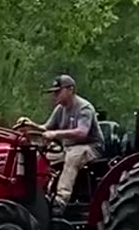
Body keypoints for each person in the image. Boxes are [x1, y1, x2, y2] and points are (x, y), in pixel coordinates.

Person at [15, 74, 102, 202]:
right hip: (68, 147)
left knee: (73, 157)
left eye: (58, 92)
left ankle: (61, 199)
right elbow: (46, 128)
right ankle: (40, 193)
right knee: (42, 157)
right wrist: (30, 125)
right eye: (54, 92)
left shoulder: (84, 108)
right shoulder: (60, 109)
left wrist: (56, 134)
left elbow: (82, 132)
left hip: (90, 147)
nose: (55, 95)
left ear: (70, 90)